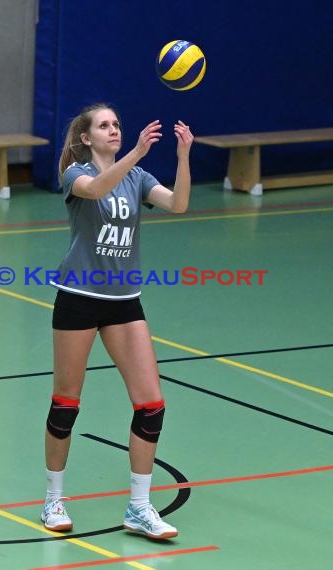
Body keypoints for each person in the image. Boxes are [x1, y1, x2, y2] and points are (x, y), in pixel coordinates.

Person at [41, 102, 193, 540]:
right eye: (104, 126)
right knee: (66, 404)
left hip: (124, 302)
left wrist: (182, 158)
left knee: (151, 405)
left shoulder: (137, 178)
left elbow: (178, 205)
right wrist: (137, 154)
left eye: (116, 125)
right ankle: (54, 498)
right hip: (80, 299)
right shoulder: (75, 173)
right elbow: (95, 189)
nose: (113, 130)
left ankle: (140, 508)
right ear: (86, 137)